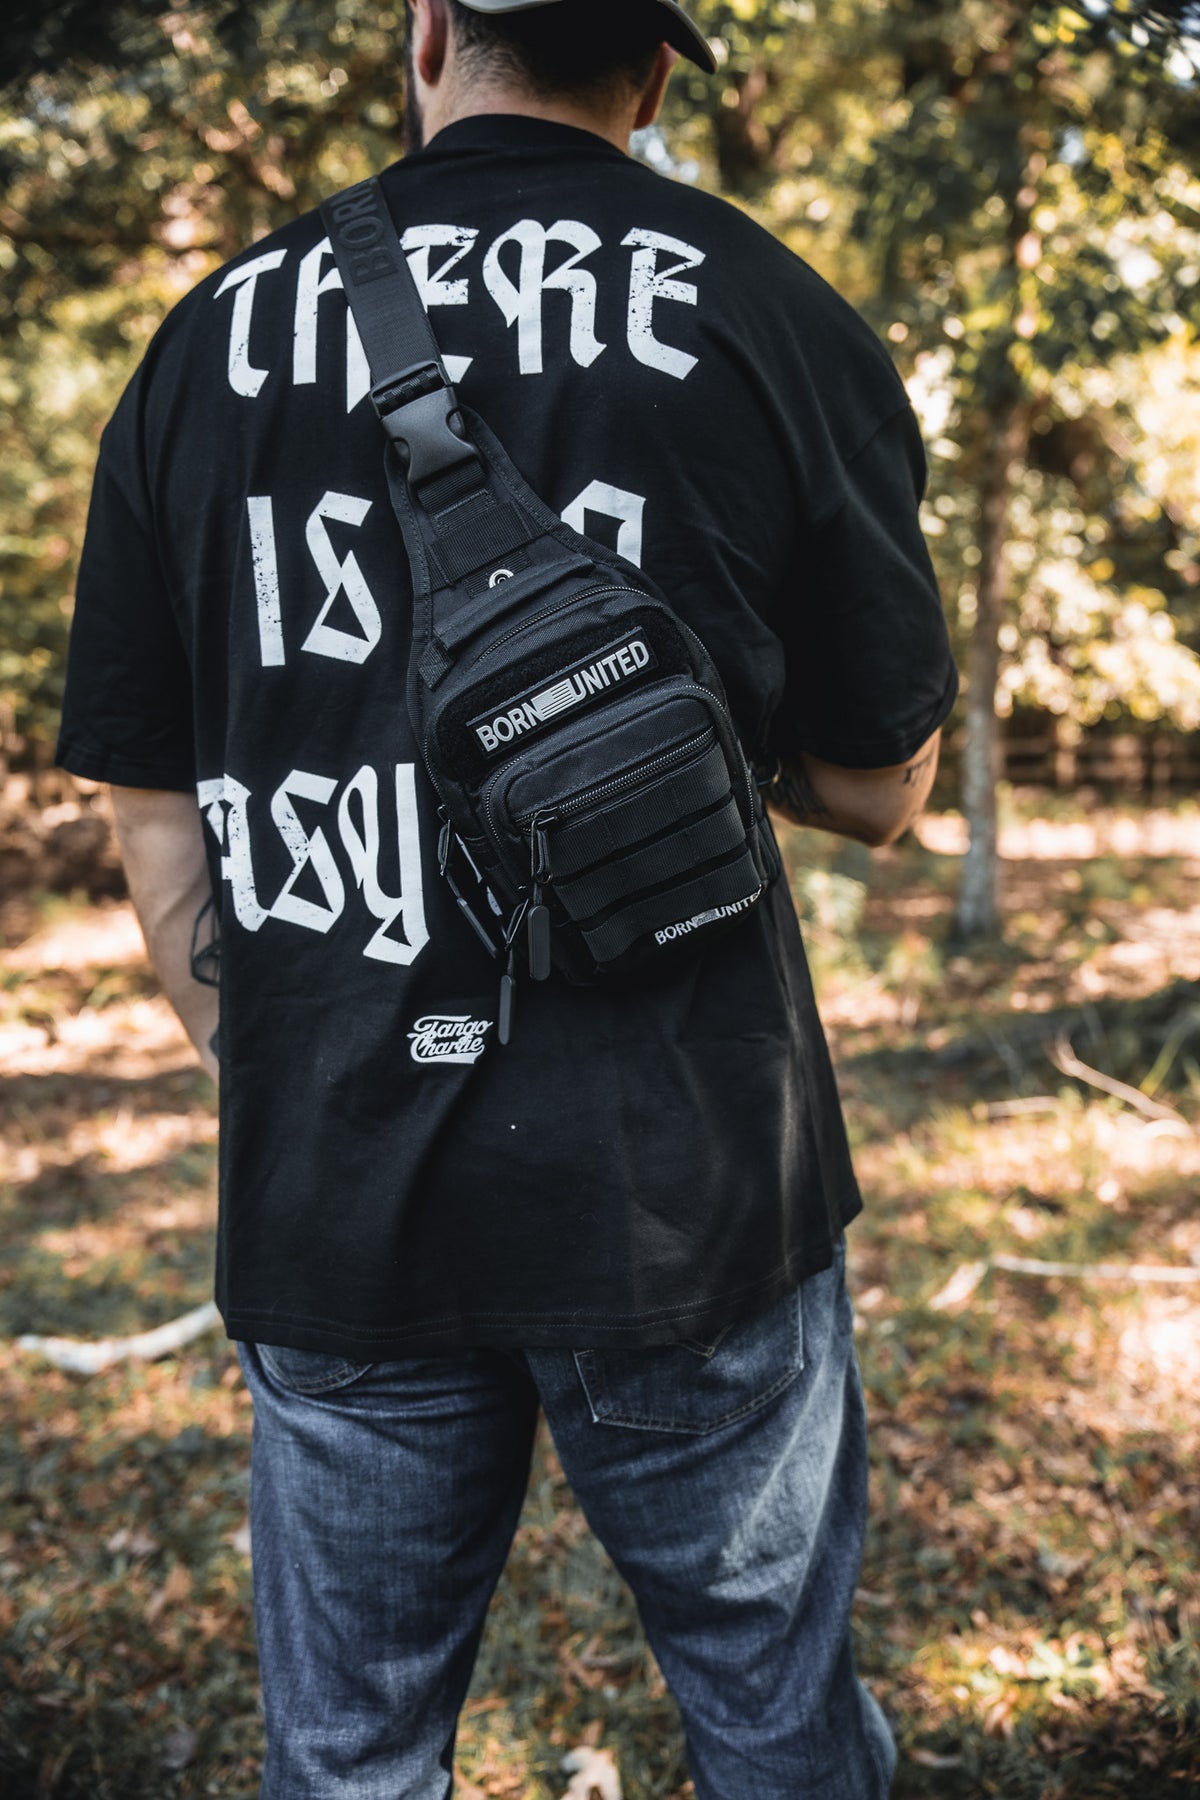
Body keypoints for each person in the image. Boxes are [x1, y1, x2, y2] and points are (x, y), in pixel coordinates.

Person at [57, 1, 958, 1793]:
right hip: (686, 1186)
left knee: (354, 1755)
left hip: (337, 1187)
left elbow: (150, 799)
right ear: (653, 68)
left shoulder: (208, 337)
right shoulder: (768, 310)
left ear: (428, 30)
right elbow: (879, 787)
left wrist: (283, 1058)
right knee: (774, 1716)